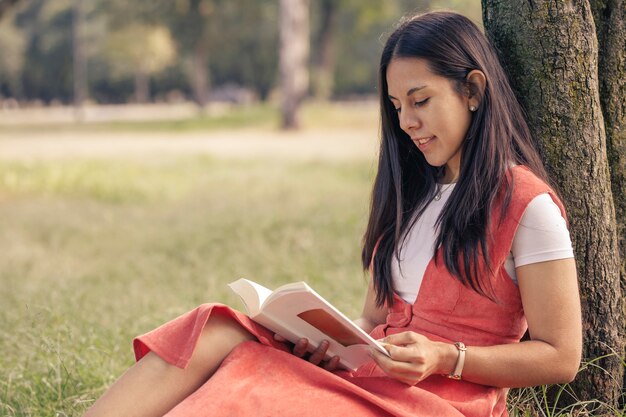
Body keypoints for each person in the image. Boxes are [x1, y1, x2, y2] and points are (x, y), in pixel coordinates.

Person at [84, 11, 582, 417]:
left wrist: (446, 358)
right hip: (367, 376)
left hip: (435, 400)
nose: (407, 122)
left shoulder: (526, 203)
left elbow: (562, 356)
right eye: (395, 106)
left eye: (421, 101)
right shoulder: (412, 192)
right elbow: (375, 318)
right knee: (215, 327)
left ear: (472, 91)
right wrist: (324, 342)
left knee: (250, 395)